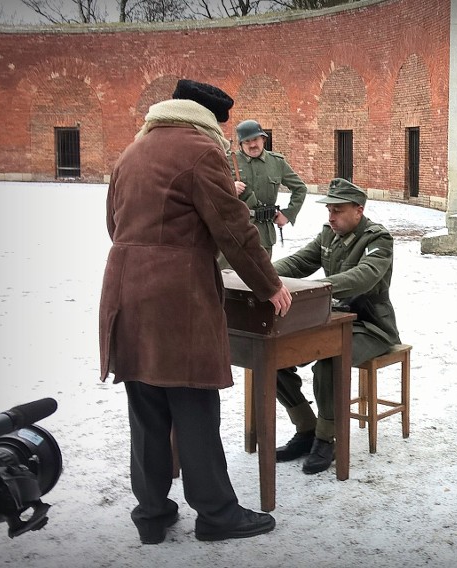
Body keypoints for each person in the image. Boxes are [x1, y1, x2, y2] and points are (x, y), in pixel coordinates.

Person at [98, 79, 292, 545]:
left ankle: (151, 513)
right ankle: (217, 514)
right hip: (177, 298)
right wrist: (270, 285)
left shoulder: (132, 151)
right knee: (194, 404)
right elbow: (234, 230)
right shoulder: (201, 152)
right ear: (209, 120)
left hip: (125, 290)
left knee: (146, 408)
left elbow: (113, 222)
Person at [271, 178, 401, 474]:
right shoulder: (328, 235)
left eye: (338, 210)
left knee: (331, 361)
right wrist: (262, 276)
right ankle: (306, 427)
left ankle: (325, 439)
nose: (331, 217)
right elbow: (297, 263)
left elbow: (364, 277)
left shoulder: (377, 238)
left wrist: (315, 288)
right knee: (273, 355)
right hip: (332, 320)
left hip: (371, 325)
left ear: (359, 209)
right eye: (329, 210)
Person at [226, 119, 308, 259]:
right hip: (234, 231)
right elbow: (208, 190)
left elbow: (300, 188)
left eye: (255, 139)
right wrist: (229, 188)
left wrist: (288, 214)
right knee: (229, 277)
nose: (252, 145)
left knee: (261, 277)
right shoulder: (227, 161)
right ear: (240, 144)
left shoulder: (277, 162)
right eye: (247, 141)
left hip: (263, 234)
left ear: (263, 139)